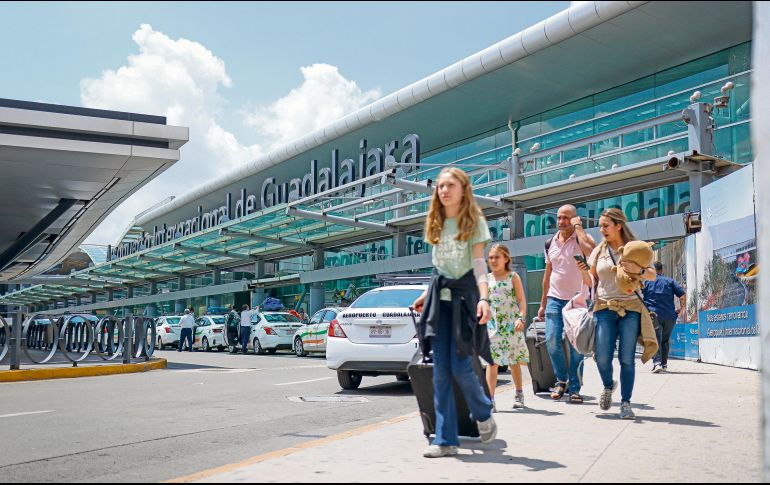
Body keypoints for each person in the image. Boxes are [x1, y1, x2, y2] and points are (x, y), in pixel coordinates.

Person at [413, 167, 497, 459]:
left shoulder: (473, 221)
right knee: (440, 373)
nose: (443, 191)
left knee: (461, 366)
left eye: (449, 185)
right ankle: (445, 439)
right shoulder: (434, 222)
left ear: (463, 189)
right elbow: (438, 269)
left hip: (464, 299)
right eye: (439, 187)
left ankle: (484, 411)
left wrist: (484, 299)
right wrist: (425, 294)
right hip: (440, 301)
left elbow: (478, 265)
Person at [577, 208, 657, 420]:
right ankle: (608, 385)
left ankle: (625, 403)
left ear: (618, 226)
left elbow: (652, 275)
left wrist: (637, 270)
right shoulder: (598, 251)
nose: (601, 229)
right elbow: (591, 281)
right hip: (604, 307)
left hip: (631, 308)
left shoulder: (635, 248)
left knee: (626, 358)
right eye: (600, 225)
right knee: (602, 357)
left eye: (605, 225)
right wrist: (583, 270)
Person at [537, 205, 596, 404]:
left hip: (578, 300)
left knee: (576, 346)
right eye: (559, 218)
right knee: (552, 340)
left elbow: (592, 251)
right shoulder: (550, 242)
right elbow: (547, 275)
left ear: (574, 219)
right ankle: (561, 379)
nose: (561, 221)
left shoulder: (581, 239)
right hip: (554, 298)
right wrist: (543, 303)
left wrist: (578, 228)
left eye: (566, 218)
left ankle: (575, 388)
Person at [485, 244, 529, 411]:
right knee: (492, 362)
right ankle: (490, 399)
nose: (493, 260)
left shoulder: (513, 277)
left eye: (497, 257)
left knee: (514, 361)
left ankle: (519, 393)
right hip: (493, 327)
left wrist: (521, 318)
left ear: (506, 259)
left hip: (512, 326)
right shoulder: (487, 279)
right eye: (491, 257)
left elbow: (521, 301)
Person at [643, 262, 687, 373]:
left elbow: (638, 296)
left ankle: (657, 363)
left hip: (653, 315)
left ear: (652, 270)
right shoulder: (670, 281)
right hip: (669, 316)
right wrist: (682, 309)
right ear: (661, 270)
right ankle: (664, 364)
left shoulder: (646, 282)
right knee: (665, 340)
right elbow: (682, 295)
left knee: (655, 340)